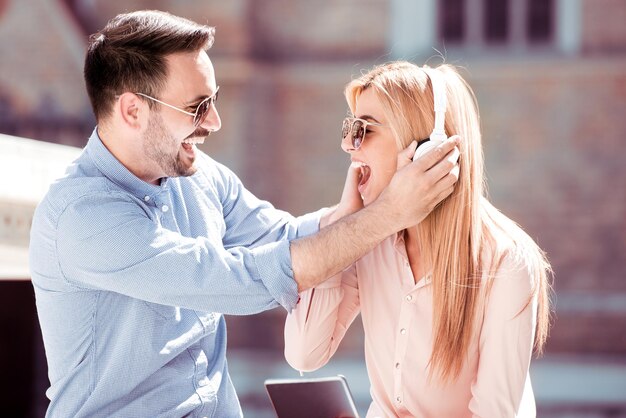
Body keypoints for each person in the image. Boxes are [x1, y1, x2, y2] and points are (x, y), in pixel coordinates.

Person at [28, 11, 461, 418]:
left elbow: (284, 235)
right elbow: (242, 278)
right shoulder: (83, 219)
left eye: (213, 100)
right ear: (133, 111)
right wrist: (388, 215)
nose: (215, 121)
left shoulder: (199, 177)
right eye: (197, 107)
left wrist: (356, 210)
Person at [284, 61, 552, 418]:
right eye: (349, 129)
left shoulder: (506, 261)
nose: (350, 146)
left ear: (426, 147)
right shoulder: (369, 236)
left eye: (365, 130)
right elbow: (304, 354)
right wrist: (342, 224)